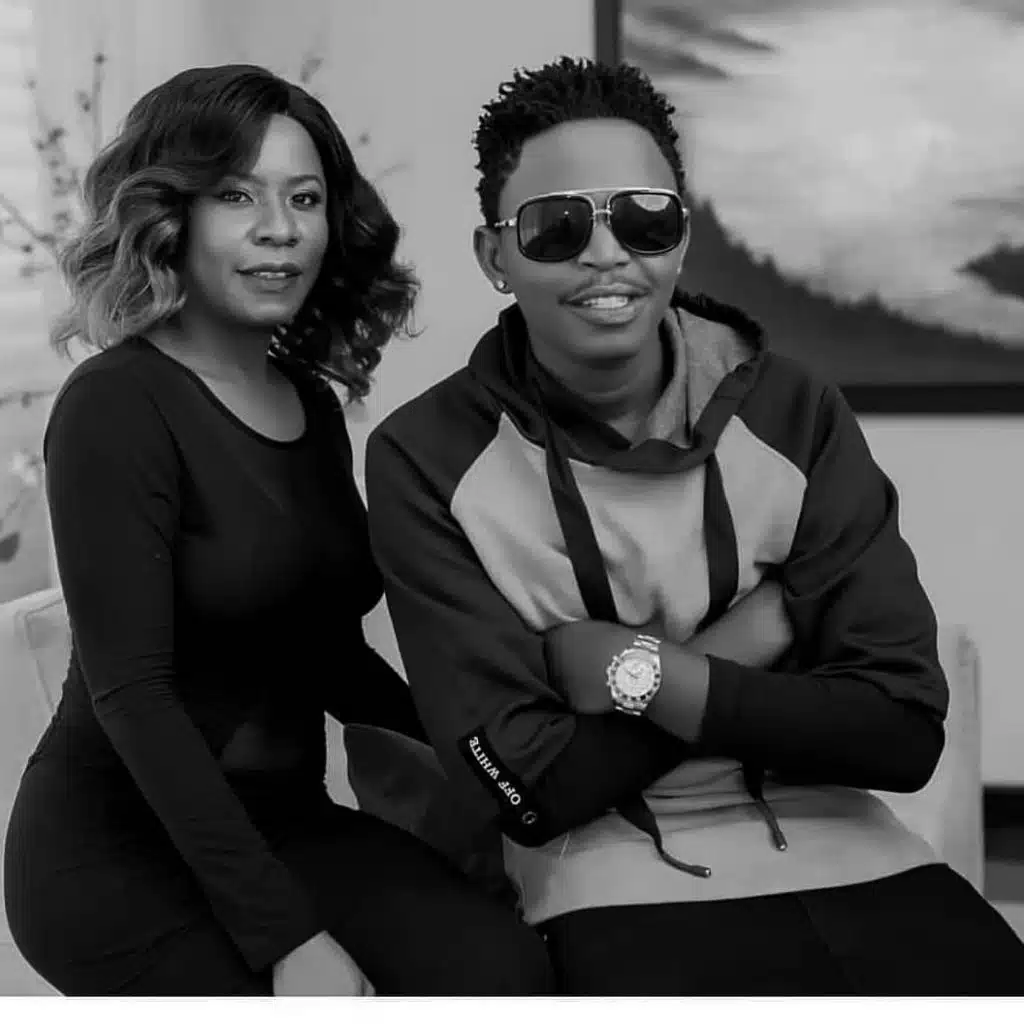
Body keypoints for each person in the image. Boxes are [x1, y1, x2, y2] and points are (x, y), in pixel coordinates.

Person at [365, 56, 1024, 996]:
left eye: (645, 218)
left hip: (860, 853)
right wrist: (755, 636)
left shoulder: (796, 413)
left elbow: (904, 733)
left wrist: (628, 672)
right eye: (556, 226)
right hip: (606, 879)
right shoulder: (426, 455)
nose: (607, 254)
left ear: (681, 237)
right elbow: (530, 789)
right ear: (493, 256)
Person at [2, 64, 553, 998]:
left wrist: (505, 768)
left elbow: (328, 656)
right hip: (118, 855)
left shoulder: (308, 403)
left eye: (304, 198)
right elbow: (134, 696)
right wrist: (286, 938)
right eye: (235, 196)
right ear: (170, 216)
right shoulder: (114, 405)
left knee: (507, 974)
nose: (279, 228)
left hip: (287, 824)